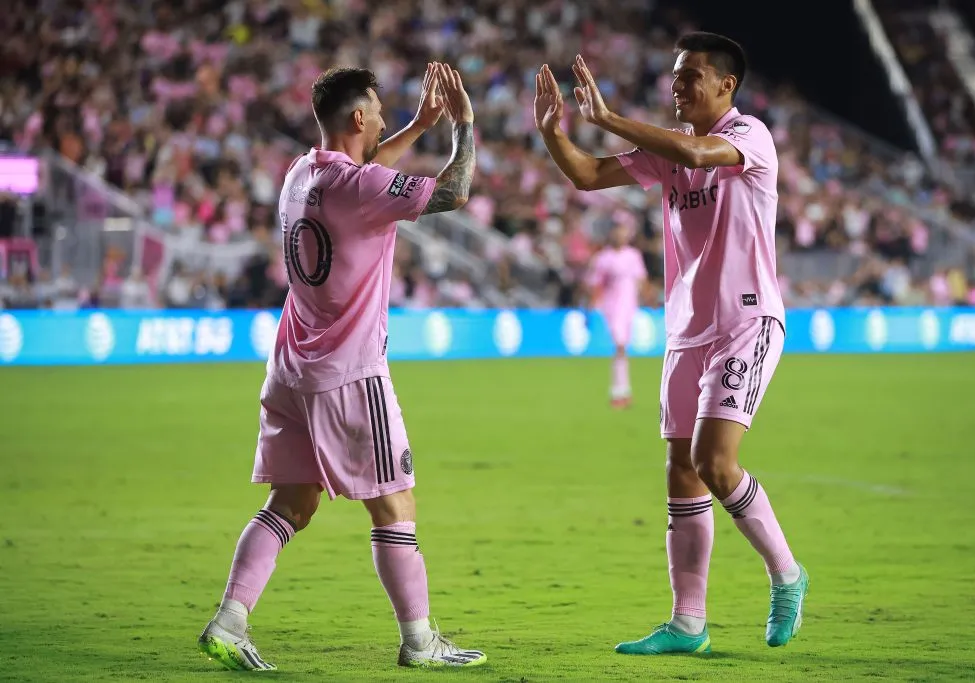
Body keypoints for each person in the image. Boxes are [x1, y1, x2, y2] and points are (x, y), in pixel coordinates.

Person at [198, 63, 486, 671]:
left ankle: (229, 620)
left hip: (292, 367)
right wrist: (461, 126)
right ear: (358, 118)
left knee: (290, 505)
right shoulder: (362, 188)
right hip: (350, 372)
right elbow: (455, 191)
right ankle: (419, 641)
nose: (383, 119)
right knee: (395, 503)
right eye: (379, 112)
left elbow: (362, 164)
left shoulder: (302, 172)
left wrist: (415, 125)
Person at [534, 32, 808, 654]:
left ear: (726, 85)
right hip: (687, 330)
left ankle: (786, 573)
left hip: (747, 321)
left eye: (691, 75)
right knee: (681, 471)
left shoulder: (750, 136)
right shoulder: (667, 153)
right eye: (675, 75)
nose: (677, 85)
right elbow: (586, 174)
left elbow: (694, 149)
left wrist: (605, 117)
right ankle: (688, 624)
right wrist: (554, 131)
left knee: (715, 462)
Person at [586, 223, 647, 407]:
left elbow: (641, 279)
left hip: (629, 306)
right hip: (612, 306)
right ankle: (619, 391)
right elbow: (597, 283)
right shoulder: (603, 258)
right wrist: (592, 303)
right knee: (620, 345)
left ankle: (622, 391)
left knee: (622, 348)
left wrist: (648, 297)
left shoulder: (633, 255)